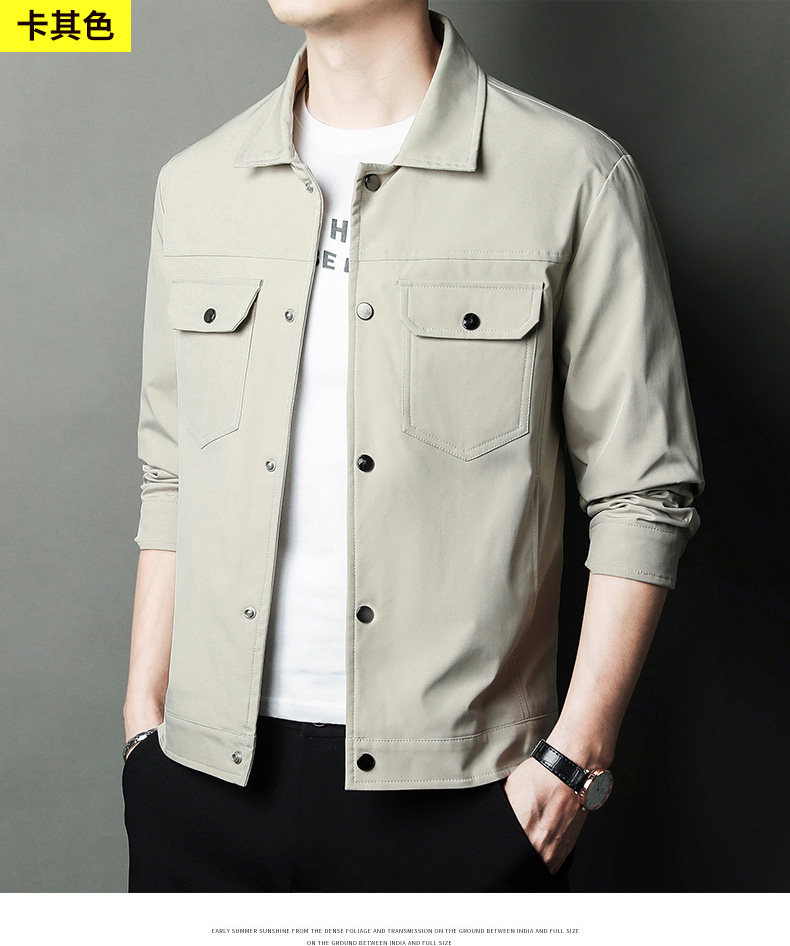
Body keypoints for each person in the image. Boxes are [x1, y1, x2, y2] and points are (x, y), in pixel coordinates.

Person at [122, 1, 704, 892]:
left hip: (468, 798)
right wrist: (144, 718)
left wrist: (574, 759)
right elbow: (171, 472)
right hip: (202, 783)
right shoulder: (196, 185)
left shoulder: (572, 176)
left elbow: (644, 492)